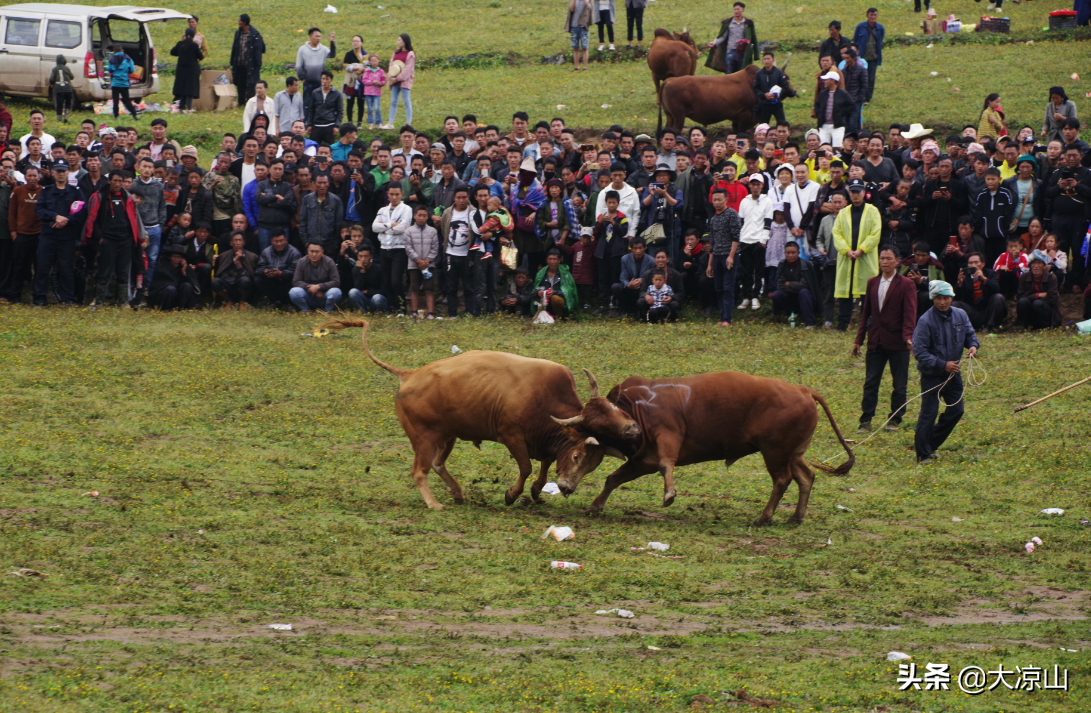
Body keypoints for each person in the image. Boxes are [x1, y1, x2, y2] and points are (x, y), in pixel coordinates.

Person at [912, 280, 979, 464]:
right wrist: (942, 364)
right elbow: (920, 352)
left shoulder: (960, 315)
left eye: (947, 298)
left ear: (951, 298)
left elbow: (970, 335)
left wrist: (973, 346)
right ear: (933, 299)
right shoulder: (925, 321)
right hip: (931, 375)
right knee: (929, 413)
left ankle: (931, 442)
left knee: (957, 410)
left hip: (953, 374)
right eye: (939, 298)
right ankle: (923, 454)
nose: (943, 302)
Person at [852, 246, 916, 433]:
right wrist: (859, 339)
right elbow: (866, 314)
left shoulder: (906, 284)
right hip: (876, 341)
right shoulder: (872, 283)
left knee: (899, 384)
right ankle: (866, 420)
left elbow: (909, 314)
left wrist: (908, 337)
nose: (885, 262)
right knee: (871, 382)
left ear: (897, 260)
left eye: (889, 258)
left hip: (898, 343)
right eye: (882, 258)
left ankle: (895, 419)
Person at [84, 171, 141, 307]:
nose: (118, 184)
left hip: (125, 240)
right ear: (109, 181)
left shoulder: (127, 198)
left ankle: (122, 302)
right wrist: (100, 239)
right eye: (115, 181)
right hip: (107, 240)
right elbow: (93, 219)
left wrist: (137, 238)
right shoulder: (99, 196)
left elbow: (134, 219)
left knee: (123, 272)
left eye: (120, 181)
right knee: (104, 271)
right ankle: (98, 301)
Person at [33, 160, 86, 305]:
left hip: (67, 236)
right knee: (43, 267)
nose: (61, 174)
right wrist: (54, 217)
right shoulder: (46, 191)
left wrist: (66, 220)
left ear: (67, 172)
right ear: (53, 173)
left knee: (66, 269)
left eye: (63, 171)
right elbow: (39, 210)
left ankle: (67, 299)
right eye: (58, 171)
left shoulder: (76, 191)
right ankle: (40, 298)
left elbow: (82, 211)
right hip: (48, 235)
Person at [832, 178, 881, 330]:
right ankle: (843, 322)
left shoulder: (873, 211)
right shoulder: (843, 213)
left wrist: (862, 249)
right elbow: (837, 233)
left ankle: (868, 324)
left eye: (858, 192)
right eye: (852, 192)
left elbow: (875, 234)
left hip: (865, 258)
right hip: (847, 257)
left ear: (863, 193)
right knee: (845, 292)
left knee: (866, 292)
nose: (855, 195)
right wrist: (847, 250)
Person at [706, 187, 742, 327]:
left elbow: (735, 236)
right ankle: (722, 317)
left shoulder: (732, 214)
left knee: (728, 287)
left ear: (726, 200)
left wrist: (731, 256)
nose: (717, 202)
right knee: (719, 288)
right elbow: (712, 244)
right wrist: (710, 264)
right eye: (714, 200)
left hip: (729, 256)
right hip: (717, 257)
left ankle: (727, 319)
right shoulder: (713, 219)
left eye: (719, 199)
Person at [373, 183, 412, 311]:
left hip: (399, 249)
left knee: (396, 281)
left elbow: (403, 227)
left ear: (402, 194)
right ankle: (391, 307)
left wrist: (383, 228)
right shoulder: (382, 210)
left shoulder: (406, 209)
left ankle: (402, 308)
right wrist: (390, 225)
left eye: (397, 194)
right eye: (391, 194)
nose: (394, 197)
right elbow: (374, 227)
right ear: (387, 195)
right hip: (384, 248)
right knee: (387, 282)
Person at [735, 175, 772, 310]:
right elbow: (741, 221)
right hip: (745, 240)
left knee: (758, 271)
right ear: (749, 185)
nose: (755, 187)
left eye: (758, 184)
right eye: (753, 184)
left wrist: (763, 240)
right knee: (746, 270)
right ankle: (746, 296)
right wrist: (740, 238)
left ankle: (756, 296)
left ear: (762, 185)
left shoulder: (767, 201)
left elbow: (768, 222)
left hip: (758, 240)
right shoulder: (744, 201)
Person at [771, 240, 821, 327]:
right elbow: (780, 285)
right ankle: (795, 312)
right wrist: (795, 286)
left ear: (798, 253)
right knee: (776, 295)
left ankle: (810, 323)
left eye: (793, 253)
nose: (790, 255)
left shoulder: (805, 264)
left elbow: (805, 285)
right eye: (788, 253)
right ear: (784, 253)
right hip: (790, 296)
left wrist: (788, 283)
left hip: (805, 297)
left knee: (804, 292)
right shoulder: (782, 264)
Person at [952, 252, 1005, 331]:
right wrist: (960, 284)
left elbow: (997, 289)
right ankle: (964, 328)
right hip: (972, 311)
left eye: (976, 262)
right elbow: (958, 297)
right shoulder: (964, 276)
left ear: (983, 264)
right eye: (970, 263)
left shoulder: (990, 273)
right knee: (954, 304)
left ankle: (990, 327)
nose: (973, 265)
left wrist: (983, 278)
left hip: (988, 310)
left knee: (998, 297)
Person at [404, 205, 439, 317]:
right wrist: (418, 260)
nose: (422, 218)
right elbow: (408, 248)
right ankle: (414, 312)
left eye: (424, 215)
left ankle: (430, 313)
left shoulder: (432, 231)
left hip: (429, 265)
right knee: (414, 289)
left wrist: (427, 261)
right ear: (414, 216)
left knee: (429, 289)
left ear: (427, 217)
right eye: (419, 215)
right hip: (414, 265)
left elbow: (435, 248)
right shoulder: (409, 231)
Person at [706, 2, 757, 75]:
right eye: (735, 9)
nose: (736, 11)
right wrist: (714, 42)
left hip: (743, 52)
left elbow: (753, 38)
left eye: (738, 9)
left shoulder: (748, 23)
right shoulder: (728, 22)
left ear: (742, 10)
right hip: (730, 51)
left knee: (741, 73)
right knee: (729, 73)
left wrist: (755, 53)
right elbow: (722, 36)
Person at [289, 242, 341, 313]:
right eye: (311, 251)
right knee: (293, 292)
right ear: (307, 251)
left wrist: (319, 287)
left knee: (336, 292)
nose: (314, 254)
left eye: (317, 252)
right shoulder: (302, 262)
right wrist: (311, 288)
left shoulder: (329, 262)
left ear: (322, 252)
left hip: (324, 295)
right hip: (308, 295)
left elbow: (336, 281)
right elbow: (296, 281)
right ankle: (306, 311)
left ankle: (327, 311)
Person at [211, 231, 258, 309]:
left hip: (243, 284)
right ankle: (230, 301)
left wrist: (238, 262)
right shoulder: (223, 256)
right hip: (229, 282)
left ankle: (243, 301)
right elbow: (220, 273)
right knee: (215, 282)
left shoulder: (252, 257)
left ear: (244, 242)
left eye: (240, 240)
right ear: (231, 243)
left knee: (245, 280)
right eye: (236, 240)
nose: (238, 243)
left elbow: (250, 276)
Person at [296, 27, 336, 117]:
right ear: (310, 36)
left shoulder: (323, 49)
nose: (318, 38)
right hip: (308, 82)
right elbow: (299, 65)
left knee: (320, 102)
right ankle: (306, 122)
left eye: (319, 36)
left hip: (320, 81)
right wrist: (302, 78)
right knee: (307, 103)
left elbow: (332, 55)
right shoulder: (302, 49)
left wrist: (332, 42)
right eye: (316, 36)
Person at [255, 228, 300, 307]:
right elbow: (258, 269)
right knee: (258, 280)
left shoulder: (294, 253)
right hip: (273, 281)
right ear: (271, 241)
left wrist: (281, 274)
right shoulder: (266, 252)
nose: (279, 244)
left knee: (295, 281)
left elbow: (296, 272)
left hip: (287, 282)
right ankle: (275, 301)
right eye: (276, 241)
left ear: (286, 240)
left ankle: (290, 303)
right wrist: (264, 272)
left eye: (281, 241)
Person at [1016, 252, 1061, 329]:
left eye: (1039, 263)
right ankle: (1026, 325)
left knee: (1038, 303)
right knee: (1022, 302)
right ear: (1030, 266)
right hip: (1030, 309)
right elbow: (1020, 296)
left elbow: (1052, 298)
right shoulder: (1024, 277)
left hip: (1046, 309)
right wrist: (1037, 295)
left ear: (1044, 265)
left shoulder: (1051, 277)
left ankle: (1045, 326)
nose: (1036, 266)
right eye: (1033, 263)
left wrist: (1032, 298)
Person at [149, 244, 199, 310]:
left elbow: (193, 284)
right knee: (171, 289)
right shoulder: (161, 268)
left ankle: (182, 309)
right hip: (166, 296)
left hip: (179, 297)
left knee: (187, 286)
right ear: (170, 257)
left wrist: (183, 272)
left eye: (179, 257)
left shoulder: (187, 268)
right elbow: (156, 286)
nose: (176, 260)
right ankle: (166, 310)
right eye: (174, 257)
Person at [230, 15, 265, 106]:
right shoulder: (238, 33)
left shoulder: (254, 34)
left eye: (240, 21)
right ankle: (241, 102)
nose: (238, 22)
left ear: (244, 22)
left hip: (251, 64)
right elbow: (235, 48)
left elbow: (260, 49)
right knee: (240, 83)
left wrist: (257, 64)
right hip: (239, 63)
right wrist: (232, 62)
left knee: (250, 84)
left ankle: (250, 102)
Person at [534, 248, 578, 318]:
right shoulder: (541, 273)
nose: (552, 262)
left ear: (559, 260)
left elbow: (569, 292)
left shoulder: (565, 273)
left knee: (555, 299)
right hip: (544, 299)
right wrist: (539, 292)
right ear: (546, 260)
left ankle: (560, 317)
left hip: (558, 300)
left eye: (554, 259)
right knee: (537, 299)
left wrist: (554, 292)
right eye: (550, 259)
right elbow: (535, 289)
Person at [814, 71, 854, 149]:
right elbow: (817, 105)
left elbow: (851, 106)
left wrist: (841, 113)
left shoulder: (843, 94)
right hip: (824, 126)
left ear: (832, 81)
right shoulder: (822, 94)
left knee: (838, 147)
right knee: (822, 148)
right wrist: (819, 115)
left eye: (826, 79)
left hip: (837, 126)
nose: (824, 81)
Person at [384, 34, 416, 129]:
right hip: (394, 82)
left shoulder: (410, 54)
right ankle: (390, 123)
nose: (398, 42)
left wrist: (397, 78)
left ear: (404, 42)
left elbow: (408, 69)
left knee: (406, 101)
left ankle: (408, 123)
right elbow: (391, 64)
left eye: (399, 40)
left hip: (404, 81)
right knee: (393, 101)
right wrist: (391, 76)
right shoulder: (396, 52)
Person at [852, 8, 883, 104]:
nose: (873, 17)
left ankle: (867, 98)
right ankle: (859, 95)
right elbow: (855, 41)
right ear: (867, 16)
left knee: (871, 78)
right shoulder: (860, 27)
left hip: (873, 57)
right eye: (871, 15)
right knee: (859, 77)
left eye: (875, 15)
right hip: (861, 57)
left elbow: (880, 41)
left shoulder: (880, 28)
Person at [306, 71, 343, 146]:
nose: (324, 81)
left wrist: (336, 126)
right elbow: (311, 109)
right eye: (323, 79)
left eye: (327, 79)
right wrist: (309, 124)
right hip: (316, 125)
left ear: (331, 80)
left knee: (329, 148)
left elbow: (340, 111)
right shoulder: (315, 92)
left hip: (330, 126)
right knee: (313, 148)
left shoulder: (337, 93)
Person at [170, 28, 202, 113]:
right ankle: (188, 107)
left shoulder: (180, 44)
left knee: (181, 87)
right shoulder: (195, 45)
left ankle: (179, 105)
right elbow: (200, 56)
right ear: (193, 35)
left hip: (181, 70)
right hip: (192, 70)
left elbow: (172, 52)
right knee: (190, 88)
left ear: (185, 34)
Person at [753, 51, 788, 127]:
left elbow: (784, 87)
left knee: (782, 124)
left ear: (772, 60)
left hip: (777, 104)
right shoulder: (759, 74)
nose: (766, 61)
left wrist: (776, 95)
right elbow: (756, 89)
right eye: (765, 59)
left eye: (768, 59)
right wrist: (764, 95)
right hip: (764, 105)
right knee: (763, 127)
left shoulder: (779, 72)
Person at [348, 246, 387, 313]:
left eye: (366, 256)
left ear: (371, 257)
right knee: (352, 292)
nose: (363, 259)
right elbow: (357, 288)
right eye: (361, 256)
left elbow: (384, 290)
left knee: (377, 298)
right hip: (364, 299)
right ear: (357, 257)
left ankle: (381, 312)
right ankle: (363, 312)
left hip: (377, 298)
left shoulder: (379, 269)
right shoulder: (355, 270)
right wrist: (362, 272)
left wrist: (368, 292)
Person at [107, 46, 138, 120]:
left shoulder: (112, 59)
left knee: (115, 100)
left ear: (114, 51)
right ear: (122, 50)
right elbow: (132, 70)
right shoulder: (128, 59)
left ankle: (116, 116)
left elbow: (109, 69)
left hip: (115, 83)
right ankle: (135, 114)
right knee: (126, 99)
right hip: (124, 83)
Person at [564, 0, 593, 72]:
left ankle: (585, 67)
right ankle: (576, 67)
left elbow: (589, 8)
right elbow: (572, 9)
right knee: (575, 47)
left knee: (584, 48)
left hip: (583, 27)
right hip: (574, 27)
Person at [360, 54, 386, 130]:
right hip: (368, 93)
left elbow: (384, 80)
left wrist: (380, 83)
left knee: (377, 108)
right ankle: (371, 123)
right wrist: (372, 82)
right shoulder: (367, 70)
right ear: (370, 62)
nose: (374, 62)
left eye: (375, 61)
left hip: (377, 93)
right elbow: (364, 80)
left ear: (378, 61)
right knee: (370, 108)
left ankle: (379, 122)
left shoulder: (381, 71)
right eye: (372, 61)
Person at [48, 55, 75, 124]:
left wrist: (52, 83)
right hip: (68, 88)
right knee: (68, 103)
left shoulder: (55, 69)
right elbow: (72, 77)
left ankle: (59, 119)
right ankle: (66, 116)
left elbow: (51, 79)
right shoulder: (67, 68)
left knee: (59, 104)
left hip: (59, 89)